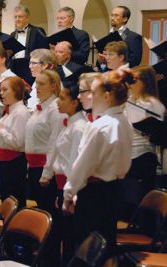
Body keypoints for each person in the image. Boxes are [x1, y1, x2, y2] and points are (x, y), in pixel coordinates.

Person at [63, 70, 133, 255]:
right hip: (112, 190)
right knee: (104, 248)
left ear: (106, 96)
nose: (84, 97)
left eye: (92, 93)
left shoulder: (101, 126)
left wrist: (69, 194)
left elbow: (83, 165)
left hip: (94, 195)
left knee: (87, 250)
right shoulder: (123, 121)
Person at [48, 84, 87, 266]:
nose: (58, 101)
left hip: (69, 186)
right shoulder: (69, 123)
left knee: (70, 238)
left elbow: (74, 164)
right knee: (64, 234)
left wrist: (67, 196)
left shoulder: (78, 127)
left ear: (74, 103)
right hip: (61, 185)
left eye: (62, 98)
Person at [123, 65, 166, 219]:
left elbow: (154, 129)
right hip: (127, 153)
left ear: (145, 82)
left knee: (137, 198)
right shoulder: (129, 100)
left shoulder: (151, 103)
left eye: (133, 80)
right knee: (125, 200)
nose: (129, 84)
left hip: (142, 154)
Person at [25, 70, 65, 214]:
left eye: (42, 84)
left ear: (53, 86)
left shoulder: (55, 109)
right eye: (36, 84)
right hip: (35, 167)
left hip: (46, 168)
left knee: (48, 212)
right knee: (41, 209)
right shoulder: (40, 108)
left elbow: (55, 142)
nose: (37, 88)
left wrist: (47, 173)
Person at [0, 77, 29, 208]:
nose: (1, 93)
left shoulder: (21, 112)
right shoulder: (8, 112)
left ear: (16, 91)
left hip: (14, 162)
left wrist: (0, 130)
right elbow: (5, 138)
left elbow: (18, 143)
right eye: (1, 90)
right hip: (4, 161)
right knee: (6, 200)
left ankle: (15, 227)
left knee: (14, 200)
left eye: (5, 90)